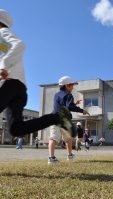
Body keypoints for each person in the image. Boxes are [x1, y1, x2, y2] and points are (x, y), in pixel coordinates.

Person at [0, 9, 72, 138]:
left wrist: (4, 64)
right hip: (18, 89)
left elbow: (20, 44)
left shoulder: (2, 32)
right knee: (16, 129)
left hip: (10, 84)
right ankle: (56, 118)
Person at [48, 76, 90, 164]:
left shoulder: (56, 95)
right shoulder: (69, 95)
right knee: (68, 139)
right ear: (67, 86)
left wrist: (74, 103)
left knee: (53, 138)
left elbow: (64, 105)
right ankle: (70, 155)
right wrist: (82, 110)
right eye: (72, 85)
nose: (73, 87)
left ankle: (51, 158)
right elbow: (69, 107)